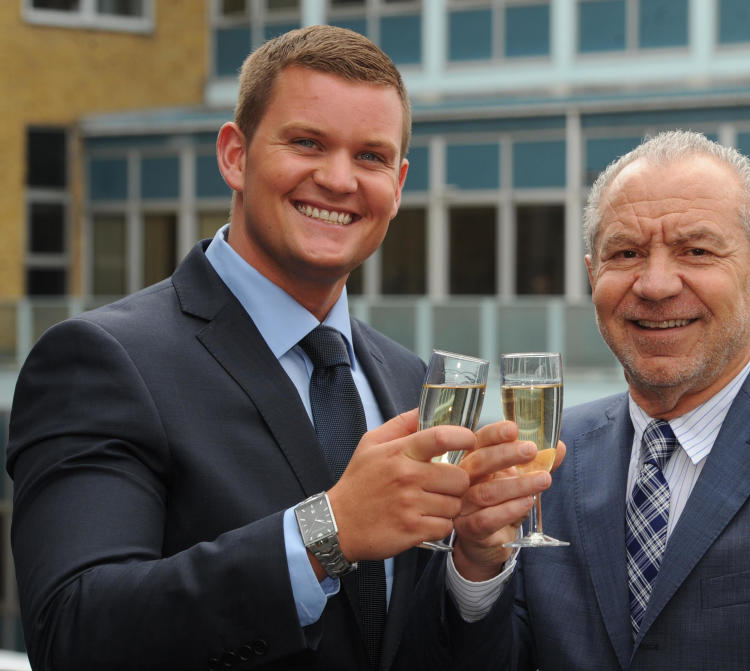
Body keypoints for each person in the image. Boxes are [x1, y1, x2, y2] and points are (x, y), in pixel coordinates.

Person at [6, 25, 548, 671]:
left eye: (371, 157)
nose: (340, 179)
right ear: (235, 154)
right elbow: (73, 632)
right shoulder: (103, 360)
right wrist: (325, 533)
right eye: (307, 142)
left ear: (398, 184)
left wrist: (474, 567)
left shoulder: (411, 382)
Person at [423, 129, 750, 670]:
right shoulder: (548, 462)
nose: (654, 284)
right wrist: (477, 567)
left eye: (696, 251)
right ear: (593, 277)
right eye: (626, 253)